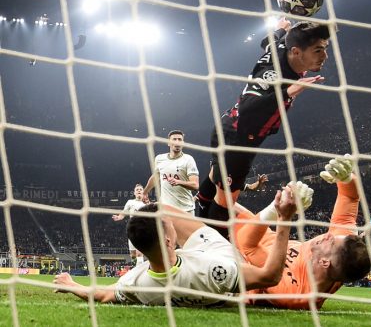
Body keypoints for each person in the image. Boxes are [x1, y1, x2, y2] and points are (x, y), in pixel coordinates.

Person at [53, 184, 299, 306]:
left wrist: (72, 284)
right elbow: (269, 276)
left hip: (183, 264)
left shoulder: (137, 283)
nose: (171, 224)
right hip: (220, 254)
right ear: (170, 240)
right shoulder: (213, 271)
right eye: (168, 226)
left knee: (157, 210)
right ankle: (268, 210)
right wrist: (285, 219)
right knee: (163, 208)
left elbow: (104, 294)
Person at [207, 18, 330, 209]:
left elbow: (267, 43)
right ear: (296, 51)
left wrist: (279, 30)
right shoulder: (272, 76)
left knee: (214, 184)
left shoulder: (283, 48)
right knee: (225, 206)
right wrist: (288, 91)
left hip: (234, 131)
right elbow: (248, 107)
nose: (325, 55)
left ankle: (200, 208)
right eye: (318, 50)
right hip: (238, 140)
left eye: (325, 48)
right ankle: (211, 235)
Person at [229, 155, 370, 309]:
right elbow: (349, 197)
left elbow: (246, 245)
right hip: (261, 236)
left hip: (236, 256)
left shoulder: (294, 293)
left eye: (331, 242)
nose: (329, 235)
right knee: (220, 200)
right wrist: (347, 178)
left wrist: (277, 210)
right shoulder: (341, 249)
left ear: (324, 262)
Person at [143, 130, 199, 214]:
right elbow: (155, 177)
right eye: (174, 139)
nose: (177, 142)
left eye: (180, 139)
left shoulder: (188, 159)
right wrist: (145, 192)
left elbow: (195, 185)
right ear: (168, 143)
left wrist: (178, 182)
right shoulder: (159, 159)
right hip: (166, 210)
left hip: (186, 209)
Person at [112, 184, 147, 264]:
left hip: (142, 229)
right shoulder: (130, 202)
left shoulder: (146, 204)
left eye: (140, 189)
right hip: (132, 229)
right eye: (137, 189)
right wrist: (119, 217)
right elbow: (124, 212)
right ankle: (135, 265)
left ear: (143, 192)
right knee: (133, 255)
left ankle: (138, 272)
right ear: (134, 193)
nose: (139, 191)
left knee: (139, 253)